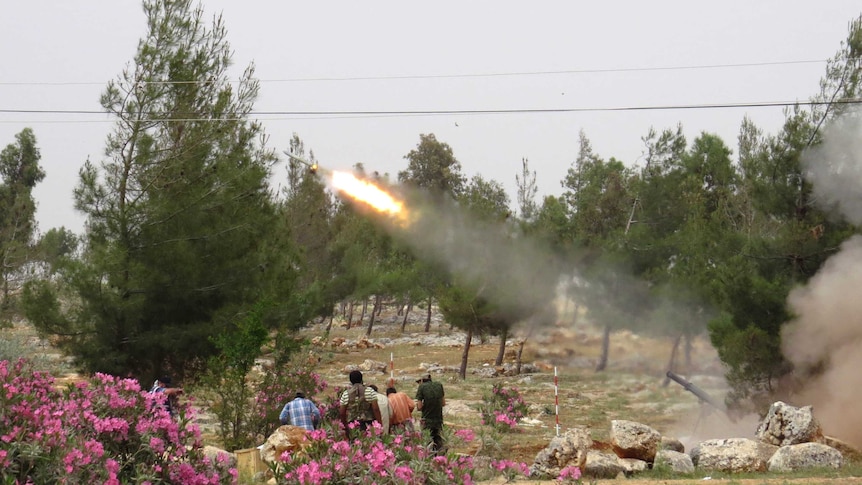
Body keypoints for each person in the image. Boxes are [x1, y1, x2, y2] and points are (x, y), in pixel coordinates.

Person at [338, 370, 381, 439]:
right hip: (368, 424)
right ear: (362, 379)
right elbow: (376, 409)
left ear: (351, 381)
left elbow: (342, 413)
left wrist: (345, 427)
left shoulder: (346, 394)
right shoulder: (370, 391)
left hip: (353, 426)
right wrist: (379, 424)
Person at [415, 373, 446, 454]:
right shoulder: (439, 385)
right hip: (438, 419)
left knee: (427, 442)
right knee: (438, 441)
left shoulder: (422, 387)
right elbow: (443, 403)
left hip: (427, 420)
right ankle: (440, 457)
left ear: (421, 381)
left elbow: (419, 406)